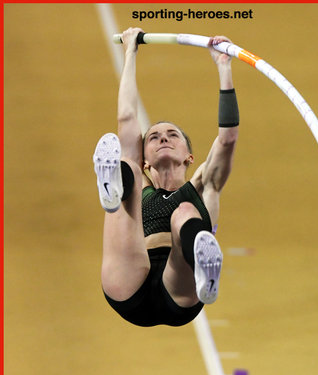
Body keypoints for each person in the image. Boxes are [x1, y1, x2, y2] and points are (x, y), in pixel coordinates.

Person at [93, 27, 239, 327]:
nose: (163, 138)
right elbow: (127, 119)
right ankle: (110, 188)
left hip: (180, 290)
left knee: (185, 211)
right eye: (155, 136)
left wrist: (224, 68)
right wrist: (130, 52)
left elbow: (227, 140)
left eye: (172, 134)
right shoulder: (140, 178)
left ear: (190, 155)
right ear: (147, 157)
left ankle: (204, 271)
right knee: (127, 168)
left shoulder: (205, 185)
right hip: (129, 279)